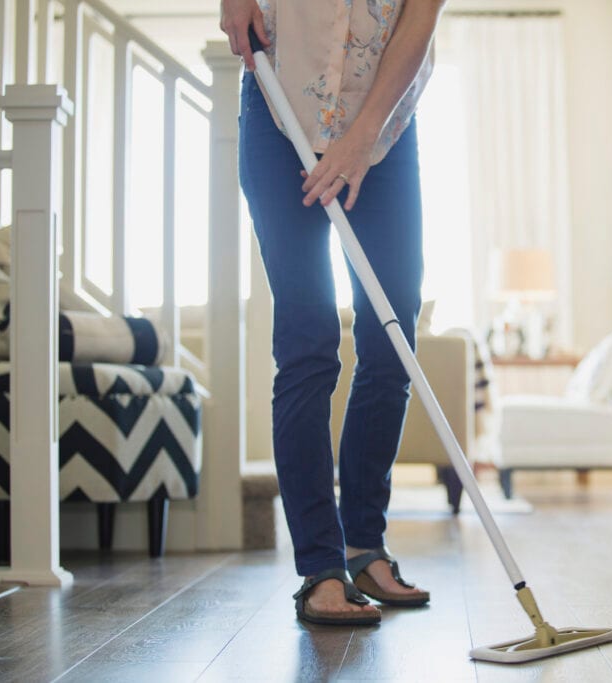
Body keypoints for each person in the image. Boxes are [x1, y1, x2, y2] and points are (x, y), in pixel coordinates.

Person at [220, 0, 446, 625]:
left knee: (392, 334)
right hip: (278, 110)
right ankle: (321, 566)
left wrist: (362, 138)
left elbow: (420, 19)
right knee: (307, 338)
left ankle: (364, 544)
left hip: (384, 129)